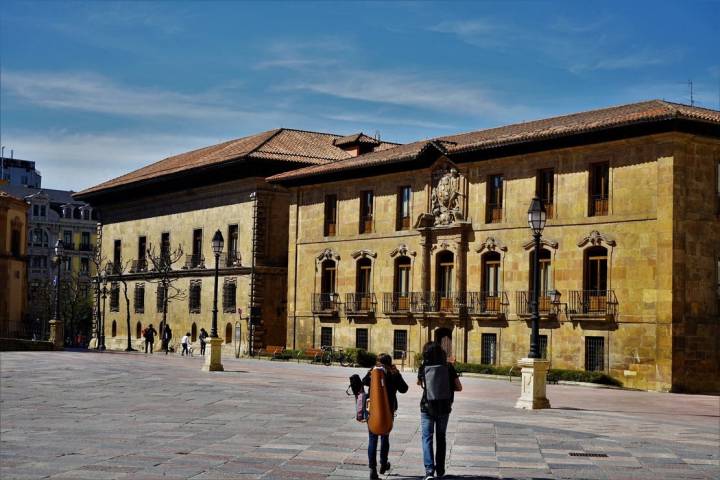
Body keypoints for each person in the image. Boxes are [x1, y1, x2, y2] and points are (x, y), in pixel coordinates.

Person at [418, 341, 462, 479]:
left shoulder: (423, 366)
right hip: (444, 407)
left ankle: (429, 471)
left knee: (427, 437)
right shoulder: (448, 367)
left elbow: (420, 383)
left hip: (427, 407)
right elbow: (459, 387)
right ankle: (441, 470)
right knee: (441, 437)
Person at [362, 353, 408, 480]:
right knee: (385, 437)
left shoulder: (374, 372)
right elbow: (404, 389)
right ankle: (383, 463)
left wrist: (372, 372)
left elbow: (364, 382)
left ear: (377, 362)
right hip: (388, 411)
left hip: (372, 411)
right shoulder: (392, 373)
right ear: (390, 363)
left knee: (372, 439)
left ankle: (372, 469)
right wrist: (396, 374)